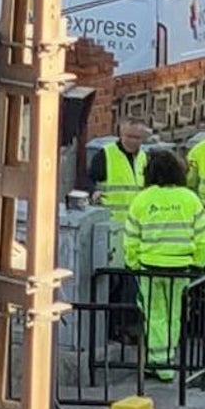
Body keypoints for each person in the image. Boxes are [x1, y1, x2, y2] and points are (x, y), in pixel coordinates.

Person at [124, 150, 205, 382]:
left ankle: (158, 362)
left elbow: (131, 236)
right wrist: (199, 263)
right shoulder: (189, 198)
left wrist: (133, 264)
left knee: (154, 315)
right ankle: (168, 359)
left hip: (149, 266)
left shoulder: (142, 199)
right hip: (181, 267)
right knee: (174, 314)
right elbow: (202, 235)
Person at [87, 119, 149, 344]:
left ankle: (127, 328)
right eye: (129, 136)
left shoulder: (145, 158)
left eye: (137, 138)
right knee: (113, 283)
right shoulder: (106, 155)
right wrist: (93, 193)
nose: (133, 141)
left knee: (131, 284)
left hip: (136, 231)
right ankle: (112, 329)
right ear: (121, 134)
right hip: (111, 229)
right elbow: (89, 182)